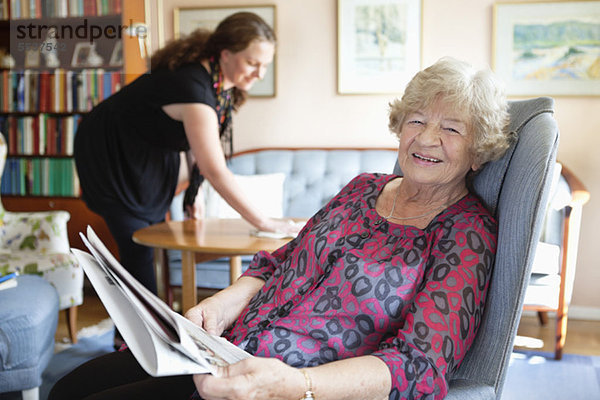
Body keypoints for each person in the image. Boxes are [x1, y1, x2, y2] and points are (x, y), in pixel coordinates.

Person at [50, 57, 512, 399]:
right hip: (224, 349)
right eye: (417, 121)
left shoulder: (466, 234)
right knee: (72, 386)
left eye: (452, 129)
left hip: (281, 384)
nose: (428, 139)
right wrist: (224, 301)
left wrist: (296, 385)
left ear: (478, 151)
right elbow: (283, 259)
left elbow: (418, 365)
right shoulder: (363, 188)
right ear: (399, 127)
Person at [73, 12, 298, 295]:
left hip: (150, 153)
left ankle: (158, 322)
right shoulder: (193, 87)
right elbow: (214, 168)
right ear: (225, 54)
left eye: (265, 65)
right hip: (110, 153)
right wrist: (263, 221)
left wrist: (195, 193)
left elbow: (198, 145)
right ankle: (135, 336)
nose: (260, 73)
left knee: (154, 240)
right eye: (253, 63)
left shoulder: (219, 85)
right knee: (136, 246)